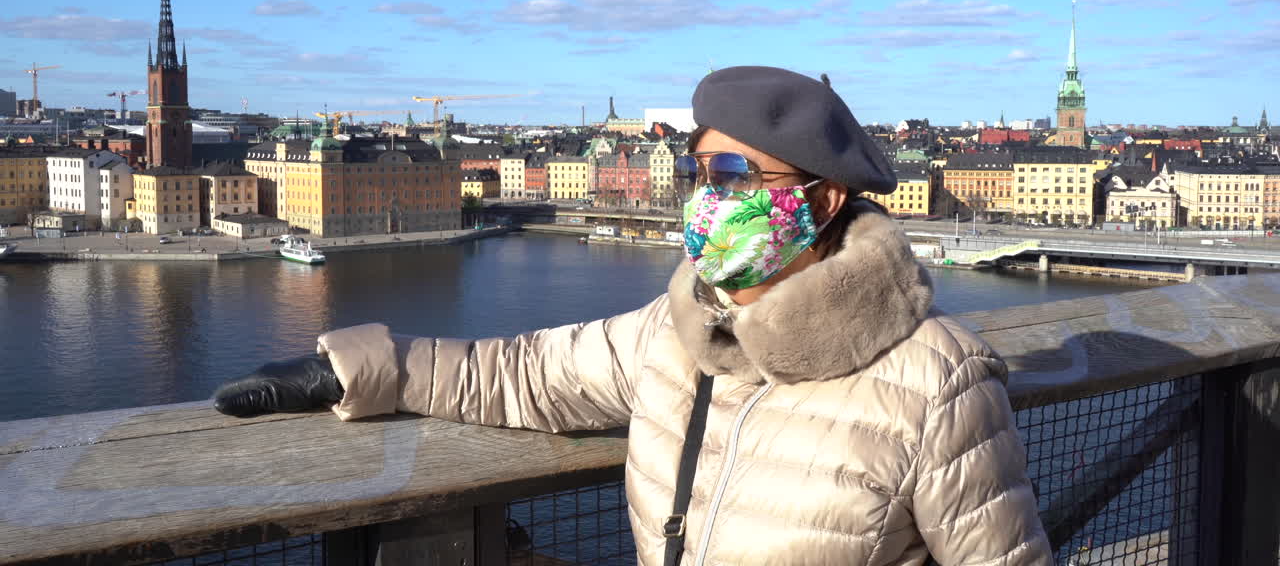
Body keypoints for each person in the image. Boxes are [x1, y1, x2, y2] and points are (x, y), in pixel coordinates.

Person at [214, 66, 1052, 565]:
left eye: (733, 176)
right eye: (700, 173)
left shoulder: (935, 382)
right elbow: (525, 375)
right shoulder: (679, 330)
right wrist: (356, 367)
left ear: (822, 198)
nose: (705, 201)